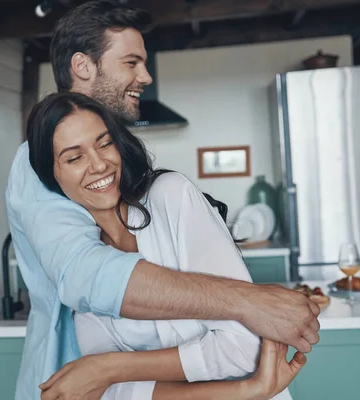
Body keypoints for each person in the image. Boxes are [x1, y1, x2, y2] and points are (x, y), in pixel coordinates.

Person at [4, 1, 320, 399]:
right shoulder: (35, 168)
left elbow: (239, 350)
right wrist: (250, 302)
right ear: (83, 66)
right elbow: (86, 277)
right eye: (131, 62)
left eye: (104, 145)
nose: (146, 76)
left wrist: (109, 370)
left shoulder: (162, 195)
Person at [27, 91, 303, 399]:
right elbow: (114, 395)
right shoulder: (83, 268)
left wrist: (109, 366)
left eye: (105, 143)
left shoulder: (169, 196)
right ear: (52, 175)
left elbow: (246, 346)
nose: (99, 165)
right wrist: (248, 389)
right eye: (75, 157)